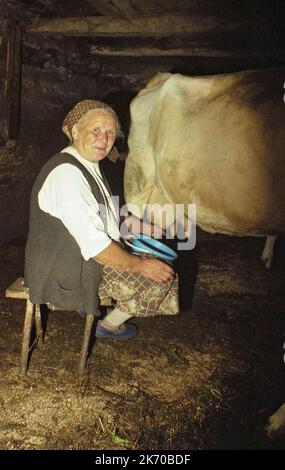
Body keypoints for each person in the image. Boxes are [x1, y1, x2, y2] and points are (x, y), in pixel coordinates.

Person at [24, 99, 179, 339]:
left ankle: (109, 321)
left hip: (80, 258)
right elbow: (95, 245)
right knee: (156, 278)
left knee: (160, 267)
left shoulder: (87, 165)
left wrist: (135, 224)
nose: (104, 139)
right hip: (64, 270)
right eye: (96, 130)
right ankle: (108, 324)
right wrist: (140, 265)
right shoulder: (67, 174)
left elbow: (103, 215)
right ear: (75, 131)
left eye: (110, 133)